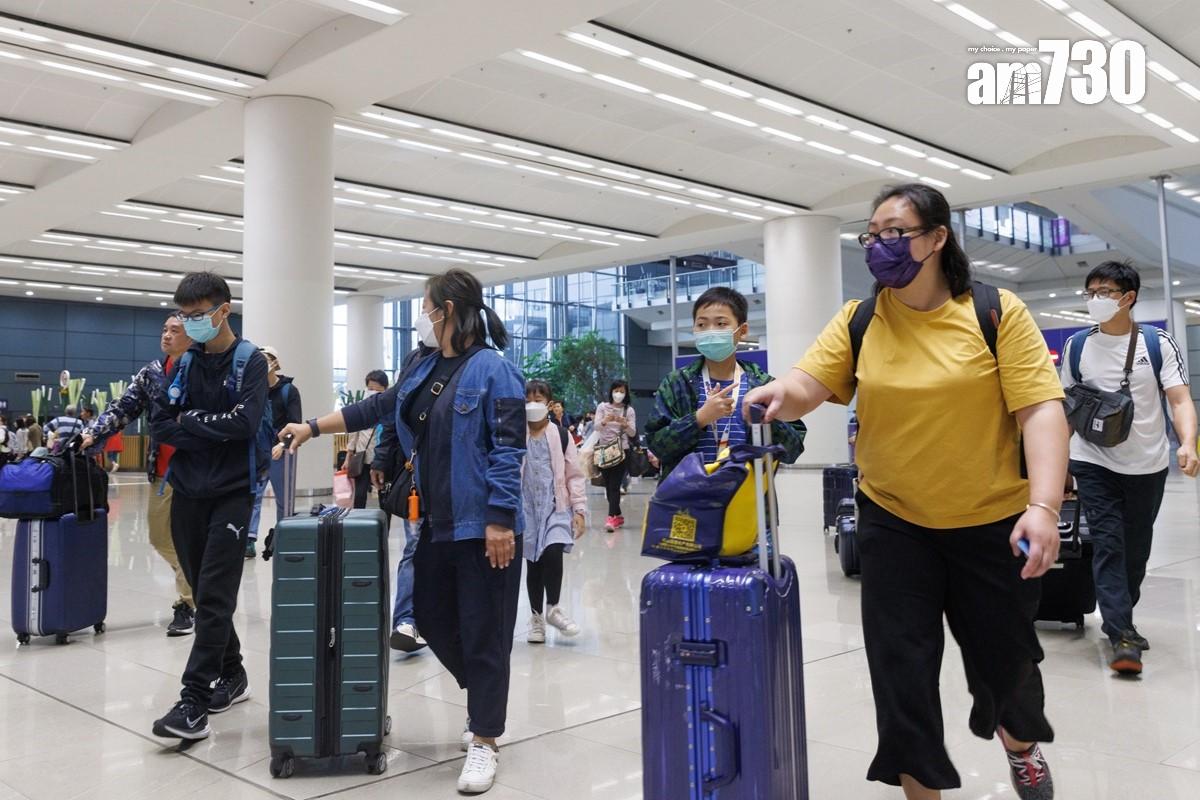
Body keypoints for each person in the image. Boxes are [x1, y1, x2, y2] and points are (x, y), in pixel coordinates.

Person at [746, 184, 1068, 800]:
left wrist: (1043, 506)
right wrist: (778, 396)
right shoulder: (862, 319)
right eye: (872, 234)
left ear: (938, 237)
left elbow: (1041, 412)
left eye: (895, 231)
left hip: (991, 523)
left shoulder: (995, 312)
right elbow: (809, 382)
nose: (880, 246)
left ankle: (1021, 747)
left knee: (1007, 667)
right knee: (902, 675)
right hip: (893, 522)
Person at [279, 268, 525, 794]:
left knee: (484, 632)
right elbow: (379, 408)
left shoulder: (495, 372)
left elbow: (508, 451)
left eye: (427, 306)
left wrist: (501, 519)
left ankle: (484, 737)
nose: (422, 316)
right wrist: (313, 427)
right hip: (434, 522)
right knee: (430, 617)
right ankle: (486, 695)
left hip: (482, 527)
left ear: (450, 310)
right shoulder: (422, 364)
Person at [1059, 261, 1198, 676]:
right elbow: (1066, 409)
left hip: (1147, 463)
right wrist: (1059, 465)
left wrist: (1188, 442)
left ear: (1128, 298)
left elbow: (1178, 399)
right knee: (1108, 543)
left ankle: (1123, 616)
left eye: (1104, 292)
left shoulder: (1156, 343)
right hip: (1092, 459)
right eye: (1091, 293)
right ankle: (1121, 633)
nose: (1095, 300)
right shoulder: (1077, 346)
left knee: (1136, 549)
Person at [149, 272, 269, 742]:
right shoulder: (184, 363)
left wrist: (192, 420)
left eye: (198, 315)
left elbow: (245, 423)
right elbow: (161, 425)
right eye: (185, 315)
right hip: (187, 492)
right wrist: (203, 425)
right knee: (203, 595)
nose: (190, 323)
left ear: (223, 311)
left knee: (215, 598)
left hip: (232, 495)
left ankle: (193, 701)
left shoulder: (250, 362)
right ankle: (233, 673)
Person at [83, 315, 197, 637]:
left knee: (188, 538)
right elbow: (124, 407)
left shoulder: (202, 369)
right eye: (164, 329)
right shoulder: (152, 373)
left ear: (192, 337)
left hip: (198, 471)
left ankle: (188, 604)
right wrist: (94, 433)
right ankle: (197, 584)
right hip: (162, 472)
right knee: (160, 537)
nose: (167, 335)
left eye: (175, 331)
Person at [645, 286, 807, 480]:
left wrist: (768, 420)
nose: (710, 331)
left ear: (742, 330)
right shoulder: (677, 383)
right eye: (702, 325)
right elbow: (657, 446)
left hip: (747, 499)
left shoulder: (763, 386)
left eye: (721, 323)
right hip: (687, 499)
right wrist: (699, 419)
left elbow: (793, 451)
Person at [370, 364, 429, 656]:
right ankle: (405, 620)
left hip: (458, 482)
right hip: (417, 480)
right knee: (414, 548)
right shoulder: (416, 363)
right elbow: (392, 419)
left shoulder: (474, 364)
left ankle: (448, 619)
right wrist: (381, 459)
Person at [522, 380, 587, 644]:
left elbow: (574, 474)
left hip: (555, 507)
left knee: (553, 550)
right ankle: (536, 618)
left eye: (539, 398)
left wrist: (579, 510)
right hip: (526, 510)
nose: (533, 403)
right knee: (533, 564)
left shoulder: (560, 435)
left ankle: (554, 608)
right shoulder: (516, 434)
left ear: (549, 403)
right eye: (528, 399)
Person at [245, 345, 302, 558]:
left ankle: (283, 537)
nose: (262, 363)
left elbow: (295, 423)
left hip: (282, 453)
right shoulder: (253, 389)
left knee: (283, 500)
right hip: (257, 451)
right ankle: (249, 540)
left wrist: (283, 445)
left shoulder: (288, 391)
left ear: (276, 363)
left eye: (266, 359)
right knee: (253, 496)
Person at [594, 380, 636, 531]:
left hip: (621, 451)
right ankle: (617, 515)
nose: (619, 394)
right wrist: (605, 420)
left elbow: (633, 433)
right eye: (616, 390)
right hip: (604, 450)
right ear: (611, 391)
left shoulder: (628, 410)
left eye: (622, 391)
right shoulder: (602, 407)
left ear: (626, 394)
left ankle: (611, 518)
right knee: (608, 484)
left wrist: (625, 424)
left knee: (614, 486)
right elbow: (596, 427)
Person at [345, 370, 387, 510]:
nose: (373, 392)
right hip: (362, 457)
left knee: (383, 495)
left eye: (377, 389)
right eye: (370, 389)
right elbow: (354, 433)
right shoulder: (363, 407)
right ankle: (358, 525)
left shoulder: (389, 409)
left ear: (385, 389)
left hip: (381, 458)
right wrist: (348, 456)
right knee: (360, 494)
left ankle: (383, 528)